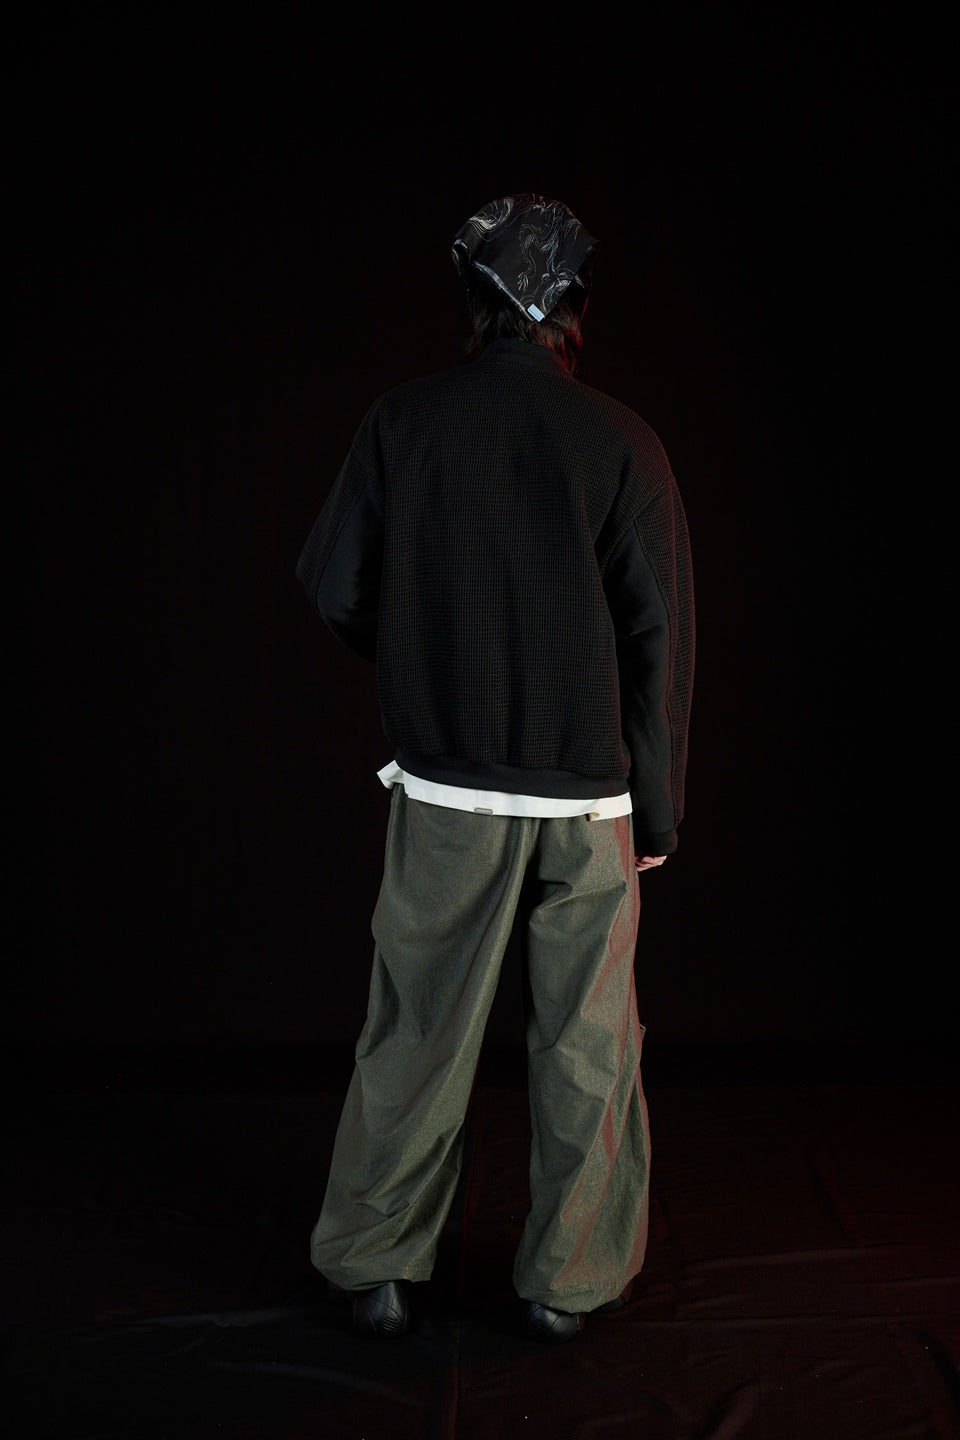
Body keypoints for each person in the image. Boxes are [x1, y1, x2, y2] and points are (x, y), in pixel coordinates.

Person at [295, 193, 695, 1343]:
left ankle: (376, 1268)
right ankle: (568, 1286)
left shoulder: (405, 421)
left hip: (448, 784)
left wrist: (422, 657)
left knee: (416, 1027)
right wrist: (658, 810)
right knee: (588, 1043)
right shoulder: (622, 438)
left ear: (472, 301)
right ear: (575, 305)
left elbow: (333, 584)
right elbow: (658, 638)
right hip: (590, 794)